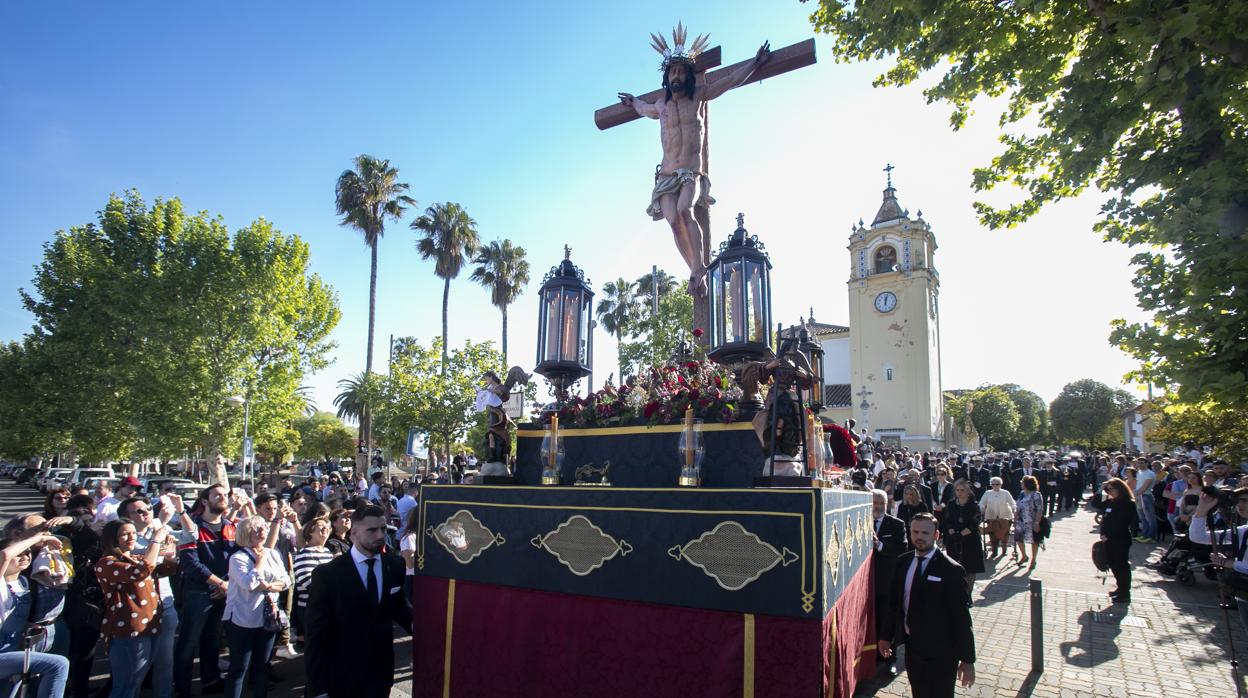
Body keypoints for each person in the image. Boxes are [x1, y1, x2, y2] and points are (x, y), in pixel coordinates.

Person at [617, 30, 771, 296]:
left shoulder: (698, 96)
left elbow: (732, 80)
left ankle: (699, 268)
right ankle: (695, 271)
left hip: (691, 173)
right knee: (673, 219)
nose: (676, 76)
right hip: (665, 176)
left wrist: (754, 63)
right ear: (666, 77)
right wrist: (632, 102)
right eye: (672, 72)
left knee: (685, 210)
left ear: (688, 76)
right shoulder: (660, 106)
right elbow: (641, 107)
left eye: (681, 72)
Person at [305, 505, 412, 698]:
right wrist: (318, 689)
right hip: (341, 675)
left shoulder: (395, 565)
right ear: (354, 532)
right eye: (372, 530)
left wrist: (417, 624)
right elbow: (316, 637)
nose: (380, 535)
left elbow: (398, 606)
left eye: (383, 529)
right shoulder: (328, 575)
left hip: (381, 672)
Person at [878, 513, 975, 698]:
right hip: (913, 648)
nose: (919, 537)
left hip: (942, 651)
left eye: (925, 532)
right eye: (915, 531)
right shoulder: (902, 562)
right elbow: (893, 604)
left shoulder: (951, 570)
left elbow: (961, 618)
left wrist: (968, 660)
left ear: (936, 535)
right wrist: (885, 636)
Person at [118, 496, 194, 698]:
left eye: (148, 509)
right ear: (127, 517)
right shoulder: (126, 538)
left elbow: (191, 535)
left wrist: (181, 511)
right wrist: (161, 529)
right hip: (138, 609)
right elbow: (145, 563)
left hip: (165, 604)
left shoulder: (160, 530)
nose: (146, 513)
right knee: (136, 666)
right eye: (139, 511)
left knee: (164, 661)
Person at [94, 518, 175, 698]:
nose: (131, 536)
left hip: (150, 625)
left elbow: (166, 569)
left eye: (132, 532)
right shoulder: (106, 563)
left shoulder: (136, 557)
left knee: (135, 682)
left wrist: (169, 553)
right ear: (113, 538)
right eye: (125, 534)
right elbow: (142, 571)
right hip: (128, 629)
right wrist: (155, 540)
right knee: (126, 686)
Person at [174, 485, 237, 698]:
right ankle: (181, 689)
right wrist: (220, 583)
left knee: (212, 639)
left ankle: (211, 680)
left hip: (223, 590)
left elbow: (236, 559)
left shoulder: (230, 526)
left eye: (225, 495)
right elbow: (191, 564)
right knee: (188, 641)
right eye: (217, 495)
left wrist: (226, 584)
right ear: (204, 500)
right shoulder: (192, 527)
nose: (222, 498)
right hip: (198, 592)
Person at [223, 515, 290, 698]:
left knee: (262, 666)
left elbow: (285, 581)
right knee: (239, 667)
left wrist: (268, 586)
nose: (263, 531)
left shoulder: (274, 553)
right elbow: (249, 584)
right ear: (246, 533)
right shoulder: (237, 558)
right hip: (242, 619)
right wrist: (260, 562)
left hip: (267, 618)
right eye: (257, 529)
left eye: (264, 527)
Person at [0, 534, 70, 698]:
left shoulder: (23, 582)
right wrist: (37, 538)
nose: (24, 557)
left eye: (28, 553)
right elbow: (5, 554)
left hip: (13, 648)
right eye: (19, 553)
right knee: (58, 664)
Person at [1189, 487, 1248, 630]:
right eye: (1237, 501)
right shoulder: (1243, 530)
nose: (1240, 505)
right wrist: (1202, 510)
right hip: (1244, 591)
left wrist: (1229, 563)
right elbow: (1199, 537)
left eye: (1245, 501)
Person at [869, 489, 907, 677]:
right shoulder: (862, 522)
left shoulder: (897, 524)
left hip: (886, 582)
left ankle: (890, 660)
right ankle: (872, 656)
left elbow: (902, 548)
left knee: (887, 620)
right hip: (866, 583)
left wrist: (880, 545)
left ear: (887, 505)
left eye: (881, 504)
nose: (877, 507)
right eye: (874, 503)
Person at [1091, 478, 1137, 604]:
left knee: (1121, 566)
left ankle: (1125, 592)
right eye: (1108, 489)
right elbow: (1096, 504)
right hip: (1108, 539)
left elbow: (1122, 523)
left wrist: (1109, 535)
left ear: (1119, 489)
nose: (1109, 491)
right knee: (1113, 565)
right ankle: (1120, 588)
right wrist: (1101, 490)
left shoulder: (1128, 503)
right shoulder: (1111, 501)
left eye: (1111, 489)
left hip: (1119, 539)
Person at [291, 518, 334, 648]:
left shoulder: (327, 552)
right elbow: (308, 583)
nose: (325, 528)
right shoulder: (304, 554)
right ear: (310, 532)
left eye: (327, 526)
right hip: (311, 607)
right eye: (320, 526)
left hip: (329, 605)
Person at [943, 480, 985, 599]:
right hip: (954, 539)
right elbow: (947, 520)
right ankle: (956, 594)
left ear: (968, 491)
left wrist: (962, 533)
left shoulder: (974, 505)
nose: (960, 493)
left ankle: (968, 595)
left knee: (970, 569)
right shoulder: (951, 504)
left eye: (962, 490)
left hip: (970, 539)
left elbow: (975, 522)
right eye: (957, 490)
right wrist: (953, 532)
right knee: (954, 567)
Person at [978, 477, 1016, 559]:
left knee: (1004, 534)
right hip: (991, 516)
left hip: (1005, 516)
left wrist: (1014, 509)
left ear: (1001, 484)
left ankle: (1004, 551)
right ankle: (994, 551)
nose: (995, 486)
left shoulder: (1005, 493)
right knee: (993, 535)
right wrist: (982, 509)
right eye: (993, 484)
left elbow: (1012, 503)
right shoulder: (987, 493)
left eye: (997, 484)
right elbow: (982, 502)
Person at [1014, 475, 1044, 570]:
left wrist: (1037, 523)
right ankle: (1024, 556)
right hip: (1021, 520)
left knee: (1034, 541)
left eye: (1022, 482)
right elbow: (1017, 506)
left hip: (1032, 521)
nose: (1021, 483)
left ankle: (1033, 559)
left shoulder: (1036, 494)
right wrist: (1015, 519)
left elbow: (1040, 509)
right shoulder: (1021, 493)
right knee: (1019, 539)